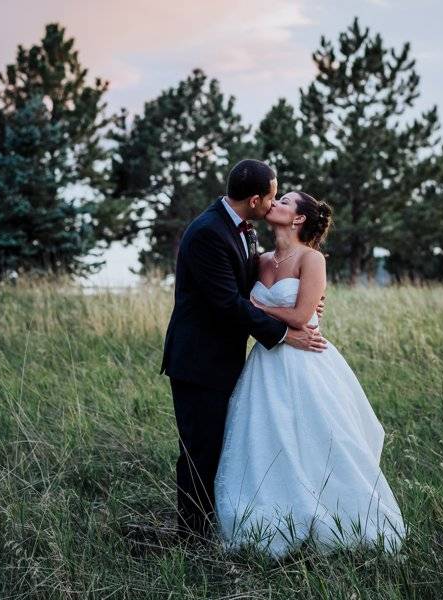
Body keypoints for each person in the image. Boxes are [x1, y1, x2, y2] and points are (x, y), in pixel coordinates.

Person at [214, 191, 406, 558]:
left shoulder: (312, 258)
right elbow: (237, 304)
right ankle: (267, 517)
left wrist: (254, 306)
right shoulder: (260, 259)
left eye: (284, 201)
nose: (276, 203)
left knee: (320, 439)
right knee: (265, 440)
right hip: (266, 364)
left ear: (299, 219)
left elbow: (303, 318)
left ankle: (339, 522)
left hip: (306, 361)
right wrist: (251, 306)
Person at [161, 159, 327, 540]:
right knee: (199, 451)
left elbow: (253, 287)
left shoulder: (245, 232)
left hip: (230, 360)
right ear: (255, 199)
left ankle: (222, 523)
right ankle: (192, 537)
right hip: (199, 361)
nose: (274, 203)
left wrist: (305, 300)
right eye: (273, 196)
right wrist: (287, 332)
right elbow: (228, 303)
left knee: (229, 446)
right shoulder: (208, 232)